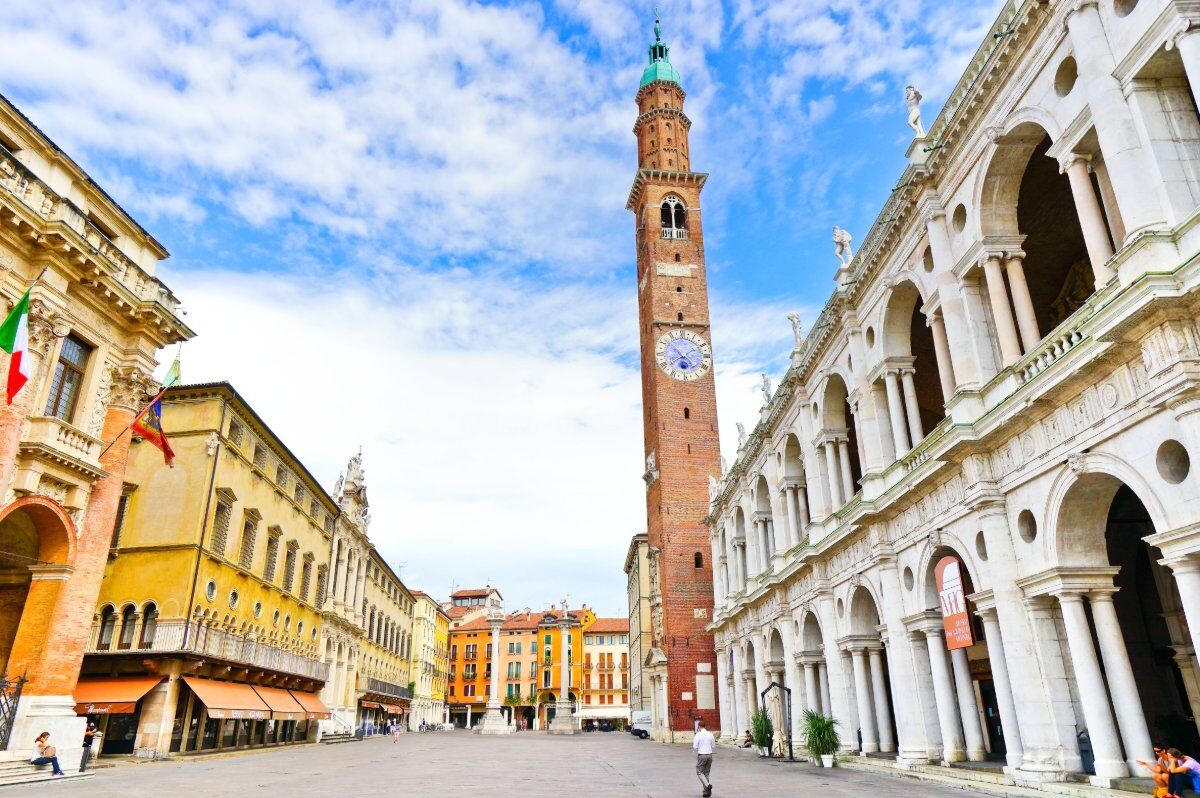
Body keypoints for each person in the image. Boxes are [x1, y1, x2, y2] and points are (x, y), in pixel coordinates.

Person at [693, 719, 715, 797]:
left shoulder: (698, 735)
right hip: (709, 755)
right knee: (706, 773)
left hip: (702, 755)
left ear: (699, 727)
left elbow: (695, 746)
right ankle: (706, 792)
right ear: (705, 726)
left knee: (699, 772)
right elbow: (713, 746)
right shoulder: (710, 734)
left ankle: (707, 785)